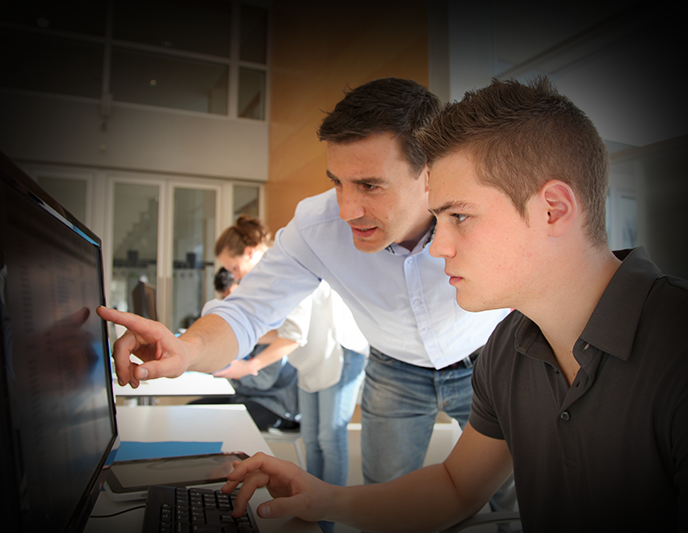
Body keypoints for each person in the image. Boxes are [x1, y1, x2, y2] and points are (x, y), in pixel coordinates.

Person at [220, 77, 688, 533]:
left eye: (460, 216)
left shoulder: (674, 348)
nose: (438, 247)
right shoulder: (509, 347)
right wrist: (326, 498)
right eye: (440, 218)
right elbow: (454, 487)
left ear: (554, 210)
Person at [96, 78, 514, 513]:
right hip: (395, 368)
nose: (347, 210)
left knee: (508, 493)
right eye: (338, 182)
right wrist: (187, 349)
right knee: (385, 492)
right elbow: (247, 311)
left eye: (370, 185)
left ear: (429, 174)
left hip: (488, 358)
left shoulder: (477, 212)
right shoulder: (317, 226)